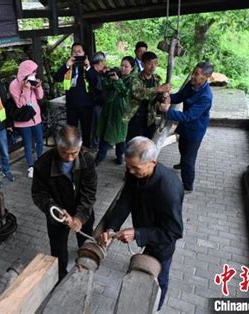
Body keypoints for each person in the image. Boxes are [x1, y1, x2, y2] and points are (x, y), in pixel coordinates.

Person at [99, 136, 183, 311]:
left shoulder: (169, 188)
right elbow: (125, 201)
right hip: (146, 225)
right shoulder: (135, 173)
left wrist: (138, 233)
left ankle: (155, 307)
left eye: (135, 168)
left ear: (152, 162)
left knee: (158, 278)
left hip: (162, 242)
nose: (130, 172)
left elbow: (173, 232)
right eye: (128, 167)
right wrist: (111, 228)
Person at [32, 126, 97, 280]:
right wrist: (56, 210)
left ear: (79, 147)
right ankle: (60, 277)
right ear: (57, 146)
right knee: (58, 249)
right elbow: (39, 194)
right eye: (64, 153)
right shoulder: (43, 164)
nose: (69, 158)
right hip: (57, 215)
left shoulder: (87, 158)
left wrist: (80, 217)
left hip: (84, 210)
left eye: (73, 153)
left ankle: (85, 265)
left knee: (86, 241)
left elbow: (89, 192)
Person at [160, 62, 214, 193]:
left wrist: (167, 111)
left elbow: (188, 116)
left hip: (195, 130)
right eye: (193, 72)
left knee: (189, 160)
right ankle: (183, 162)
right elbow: (180, 96)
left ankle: (187, 186)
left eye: (196, 74)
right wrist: (169, 97)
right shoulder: (192, 85)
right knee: (182, 147)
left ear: (205, 77)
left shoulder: (206, 96)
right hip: (185, 127)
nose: (193, 76)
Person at [95, 56, 136, 165]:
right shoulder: (118, 75)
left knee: (120, 136)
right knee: (105, 134)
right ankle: (101, 156)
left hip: (121, 112)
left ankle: (119, 156)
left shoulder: (133, 80)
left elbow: (126, 93)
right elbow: (106, 87)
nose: (123, 68)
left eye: (126, 66)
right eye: (122, 65)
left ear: (132, 68)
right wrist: (106, 76)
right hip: (109, 109)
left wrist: (118, 81)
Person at [53, 43, 93, 147]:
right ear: (71, 53)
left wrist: (88, 66)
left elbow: (94, 80)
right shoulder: (68, 66)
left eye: (79, 51)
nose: (77, 53)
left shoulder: (88, 66)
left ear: (84, 53)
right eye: (74, 51)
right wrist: (67, 65)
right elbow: (57, 78)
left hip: (86, 105)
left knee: (86, 130)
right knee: (72, 131)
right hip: (72, 105)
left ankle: (86, 151)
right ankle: (72, 150)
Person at [9, 60, 44, 179]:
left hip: (36, 117)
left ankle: (41, 162)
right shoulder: (14, 85)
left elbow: (40, 96)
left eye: (35, 72)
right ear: (25, 72)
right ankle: (31, 167)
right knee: (28, 144)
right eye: (32, 72)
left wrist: (38, 87)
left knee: (39, 140)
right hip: (23, 120)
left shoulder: (33, 81)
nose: (34, 74)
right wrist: (26, 89)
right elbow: (20, 104)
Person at [127, 51, 171, 141]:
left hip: (150, 119)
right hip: (135, 118)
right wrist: (158, 89)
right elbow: (138, 93)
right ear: (143, 64)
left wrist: (164, 96)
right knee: (134, 146)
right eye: (149, 63)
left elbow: (158, 97)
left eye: (155, 63)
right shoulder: (134, 78)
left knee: (147, 145)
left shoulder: (156, 79)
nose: (153, 66)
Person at [87, 51, 107, 150]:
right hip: (95, 103)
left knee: (100, 124)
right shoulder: (91, 73)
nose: (104, 64)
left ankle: (99, 144)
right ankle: (95, 145)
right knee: (96, 125)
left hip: (100, 103)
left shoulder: (98, 73)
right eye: (103, 62)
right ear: (99, 62)